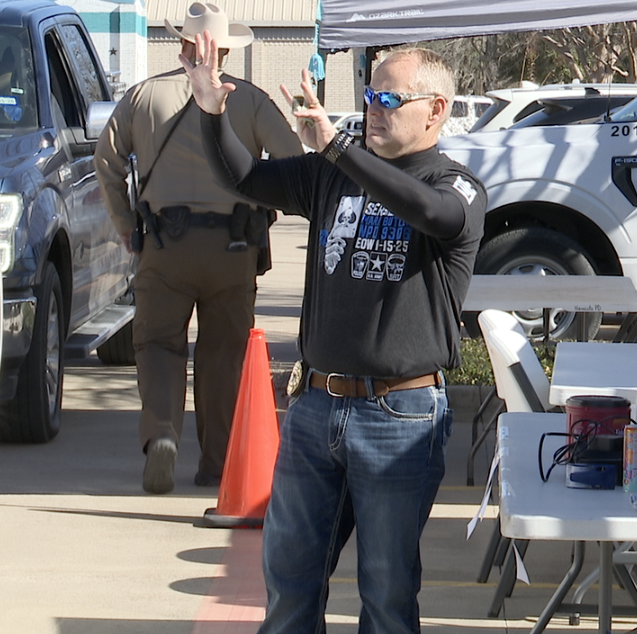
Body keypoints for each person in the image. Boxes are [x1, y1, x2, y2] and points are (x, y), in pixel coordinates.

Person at [184, 31, 486, 632]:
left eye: (391, 100)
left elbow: (433, 216)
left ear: (437, 111)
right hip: (317, 406)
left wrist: (339, 149)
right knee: (290, 580)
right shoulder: (331, 175)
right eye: (370, 95)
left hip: (399, 415)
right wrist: (209, 107)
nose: (374, 107)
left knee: (386, 592)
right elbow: (245, 178)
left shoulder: (454, 184)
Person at [93, 2, 302, 494]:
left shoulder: (143, 97)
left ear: (181, 43)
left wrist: (126, 223)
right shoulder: (248, 99)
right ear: (225, 48)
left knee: (159, 346)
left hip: (164, 246)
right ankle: (217, 463)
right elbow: (292, 161)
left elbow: (107, 161)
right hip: (233, 248)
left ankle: (162, 435)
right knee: (222, 355)